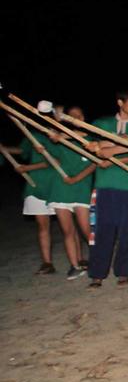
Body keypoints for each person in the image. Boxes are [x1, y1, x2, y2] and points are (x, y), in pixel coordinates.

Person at [87, 91, 128, 288]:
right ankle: (97, 274)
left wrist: (113, 156)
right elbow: (94, 146)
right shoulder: (102, 123)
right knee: (102, 230)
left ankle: (123, 272)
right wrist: (120, 142)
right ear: (120, 102)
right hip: (104, 185)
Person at [2, 100, 58, 274]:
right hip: (35, 185)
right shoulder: (31, 135)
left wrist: (27, 168)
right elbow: (23, 151)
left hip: (56, 184)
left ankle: (79, 259)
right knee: (42, 225)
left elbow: (54, 161)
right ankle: (47, 263)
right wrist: (5, 149)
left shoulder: (57, 135)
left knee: (67, 225)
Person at [47, 104, 96, 279]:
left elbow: (94, 163)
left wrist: (76, 178)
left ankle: (98, 259)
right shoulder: (62, 139)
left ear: (83, 118)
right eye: (71, 116)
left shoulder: (89, 138)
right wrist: (55, 121)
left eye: (79, 115)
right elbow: (51, 140)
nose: (75, 118)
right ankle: (75, 265)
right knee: (67, 230)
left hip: (81, 188)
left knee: (86, 229)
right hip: (61, 189)